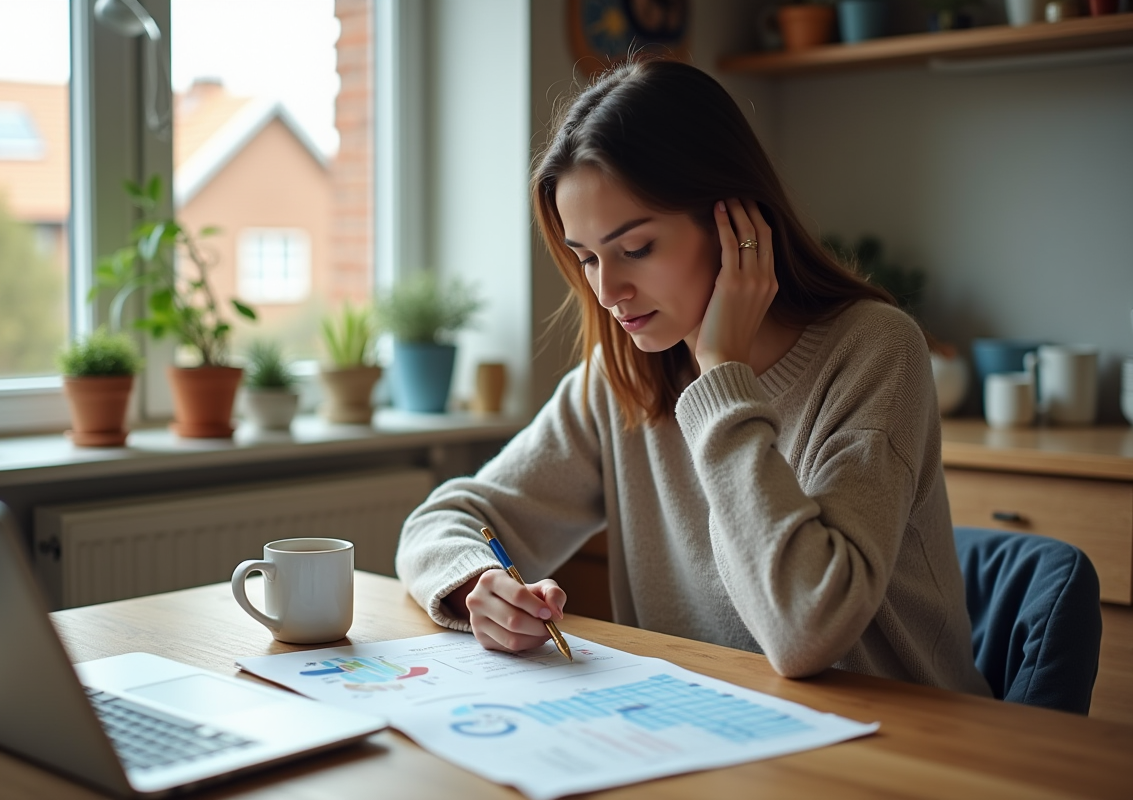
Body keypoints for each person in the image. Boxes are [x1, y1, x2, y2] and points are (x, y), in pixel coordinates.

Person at [395, 58, 990, 695]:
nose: (608, 290)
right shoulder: (621, 377)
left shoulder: (875, 351)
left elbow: (803, 631)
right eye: (588, 257)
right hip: (711, 735)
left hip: (902, 750)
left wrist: (721, 376)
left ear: (736, 223)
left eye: (637, 249)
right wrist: (474, 585)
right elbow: (445, 519)